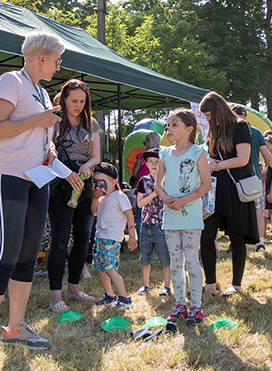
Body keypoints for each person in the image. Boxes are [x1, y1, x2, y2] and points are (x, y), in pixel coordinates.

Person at [0, 31, 64, 369]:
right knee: (5, 257)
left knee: (27, 257)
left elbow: (34, 134)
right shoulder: (10, 81)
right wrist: (38, 121)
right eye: (57, 60)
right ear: (41, 58)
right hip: (7, 177)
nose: (58, 66)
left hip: (36, 180)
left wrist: (48, 147)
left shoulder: (41, 90)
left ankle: (16, 328)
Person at [47, 79, 100, 314]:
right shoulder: (54, 120)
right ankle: (55, 297)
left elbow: (96, 156)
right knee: (59, 240)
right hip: (60, 181)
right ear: (63, 99)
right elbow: (47, 151)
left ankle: (74, 289)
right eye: (73, 101)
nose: (78, 105)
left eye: (82, 101)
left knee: (83, 238)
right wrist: (67, 173)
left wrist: (87, 167)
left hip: (83, 182)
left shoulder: (92, 124)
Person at [154, 109, 212, 325]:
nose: (169, 128)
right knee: (176, 262)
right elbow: (157, 184)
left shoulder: (198, 152)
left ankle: (196, 307)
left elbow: (205, 184)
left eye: (174, 124)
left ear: (189, 129)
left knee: (191, 261)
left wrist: (183, 201)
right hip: (170, 218)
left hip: (190, 218)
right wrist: (165, 198)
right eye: (168, 124)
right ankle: (180, 305)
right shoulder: (164, 154)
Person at [199, 92, 258, 297]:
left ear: (217, 110)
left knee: (237, 237)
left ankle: (237, 284)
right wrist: (209, 164)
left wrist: (217, 165)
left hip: (236, 189)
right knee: (206, 235)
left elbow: (243, 159)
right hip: (215, 190)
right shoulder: (212, 130)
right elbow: (209, 157)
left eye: (208, 114)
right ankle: (210, 283)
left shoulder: (240, 126)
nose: (207, 119)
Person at [231, 105, 272, 253]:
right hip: (254, 179)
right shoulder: (257, 132)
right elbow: (267, 156)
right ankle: (260, 243)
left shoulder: (231, 131)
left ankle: (236, 243)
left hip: (236, 179)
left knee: (236, 212)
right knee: (258, 211)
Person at [91, 163, 137, 309]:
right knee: (99, 268)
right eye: (95, 183)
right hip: (99, 238)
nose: (98, 187)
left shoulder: (119, 196)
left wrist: (131, 236)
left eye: (102, 183)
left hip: (111, 239)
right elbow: (93, 212)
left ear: (113, 182)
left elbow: (130, 216)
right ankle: (109, 296)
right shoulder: (101, 198)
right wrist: (94, 198)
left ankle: (124, 298)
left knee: (110, 268)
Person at [135, 149, 171, 296]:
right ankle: (146, 285)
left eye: (157, 162)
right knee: (145, 256)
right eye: (150, 161)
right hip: (145, 224)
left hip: (162, 224)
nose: (154, 164)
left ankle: (167, 286)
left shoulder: (167, 181)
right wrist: (156, 192)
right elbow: (139, 203)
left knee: (165, 256)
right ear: (146, 164)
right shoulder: (144, 181)